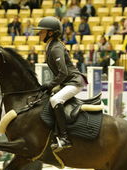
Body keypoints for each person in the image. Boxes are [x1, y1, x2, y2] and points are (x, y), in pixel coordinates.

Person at [33, 16, 87, 151]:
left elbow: (63, 73)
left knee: (56, 99)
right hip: (67, 82)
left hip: (74, 82)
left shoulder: (56, 47)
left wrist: (50, 85)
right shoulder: (51, 45)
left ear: (51, 33)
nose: (39, 34)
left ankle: (64, 138)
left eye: (42, 31)